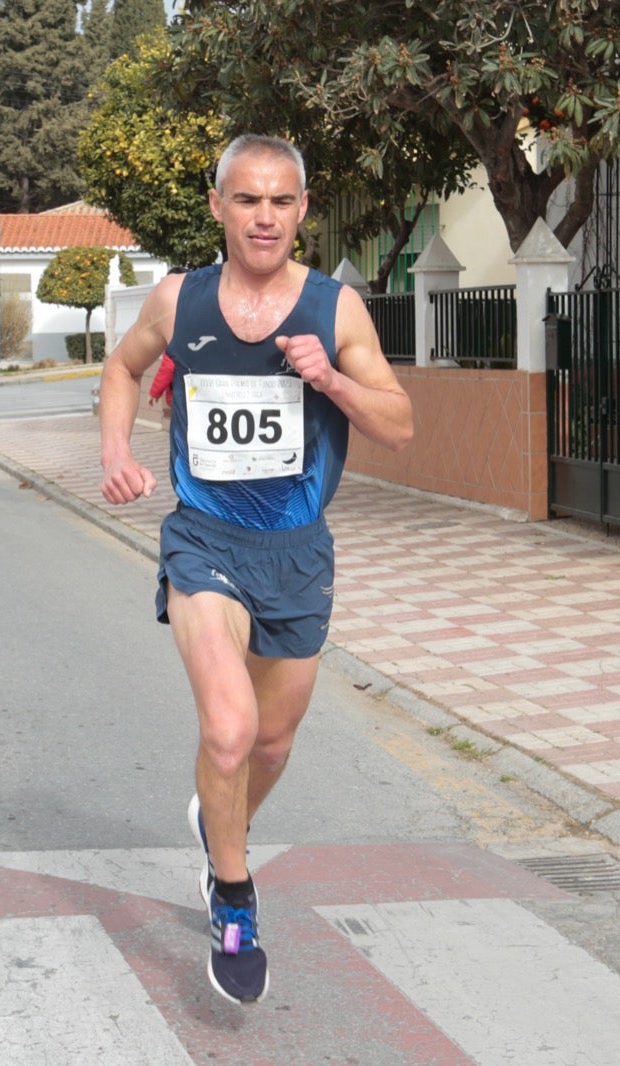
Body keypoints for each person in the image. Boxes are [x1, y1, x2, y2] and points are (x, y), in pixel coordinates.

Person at [98, 134, 414, 1005]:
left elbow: (401, 425)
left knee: (270, 744)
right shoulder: (178, 299)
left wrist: (335, 383)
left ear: (302, 211)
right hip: (204, 540)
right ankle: (233, 899)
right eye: (246, 200)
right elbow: (122, 368)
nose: (264, 216)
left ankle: (216, 822)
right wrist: (115, 448)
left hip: (298, 550)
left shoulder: (336, 309)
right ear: (218, 206)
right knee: (230, 728)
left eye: (280, 201)